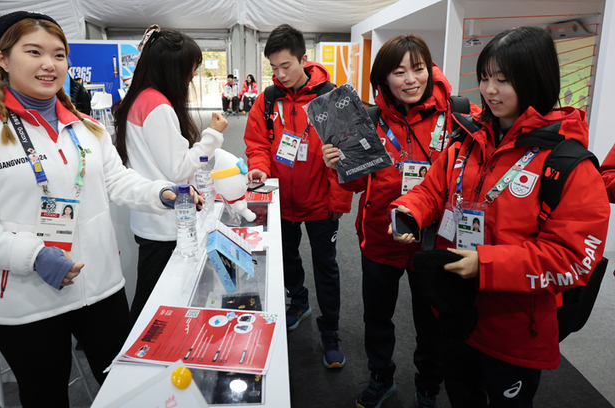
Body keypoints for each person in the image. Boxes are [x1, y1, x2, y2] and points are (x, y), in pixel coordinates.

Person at [0, 12, 200, 407]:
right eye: (34, 52)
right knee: (46, 396)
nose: (49, 64)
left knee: (125, 386)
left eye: (58, 54)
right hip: (28, 300)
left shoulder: (87, 127)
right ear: (2, 59)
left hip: (101, 288)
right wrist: (33, 256)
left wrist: (161, 193)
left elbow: (116, 180)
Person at [391, 26, 609, 407]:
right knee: (461, 396)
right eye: (485, 78)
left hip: (515, 327)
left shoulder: (569, 164)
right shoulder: (468, 139)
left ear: (535, 80)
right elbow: (432, 189)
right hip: (457, 309)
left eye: (503, 80)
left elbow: (572, 258)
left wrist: (486, 265)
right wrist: (408, 212)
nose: (490, 90)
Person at [322, 34, 472, 408]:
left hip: (433, 241)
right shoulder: (368, 120)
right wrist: (338, 164)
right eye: (399, 72)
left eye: (418, 69)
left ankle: (428, 386)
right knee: (377, 317)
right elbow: (357, 183)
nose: (410, 80)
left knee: (432, 321)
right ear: (383, 78)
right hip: (380, 236)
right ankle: (380, 377)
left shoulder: (457, 116)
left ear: (429, 71)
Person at [245, 24, 353, 369]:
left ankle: (330, 331)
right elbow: (257, 143)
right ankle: (299, 301)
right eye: (273, 67)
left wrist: (338, 201)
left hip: (321, 202)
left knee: (326, 266)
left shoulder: (331, 98)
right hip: (280, 201)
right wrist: (259, 168)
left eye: (286, 66)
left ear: (304, 60)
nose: (280, 74)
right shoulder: (268, 99)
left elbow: (346, 154)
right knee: (286, 258)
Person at [113, 25, 227, 324]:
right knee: (154, 302)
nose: (193, 75)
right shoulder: (157, 105)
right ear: (172, 69)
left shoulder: (141, 98)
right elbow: (179, 168)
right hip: (165, 221)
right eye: (190, 68)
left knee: (153, 297)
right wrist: (212, 136)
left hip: (153, 217)